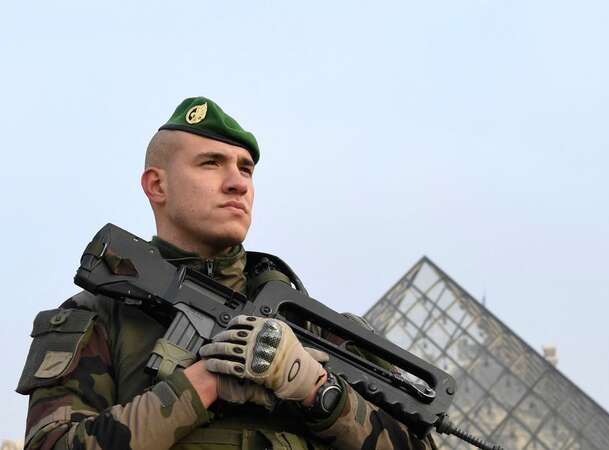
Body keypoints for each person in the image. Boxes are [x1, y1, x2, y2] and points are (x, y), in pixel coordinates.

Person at [17, 97, 437, 450]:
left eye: (247, 169)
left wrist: (320, 392)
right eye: (211, 163)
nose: (237, 183)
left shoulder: (316, 329)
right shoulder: (97, 318)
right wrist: (203, 385)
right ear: (156, 185)